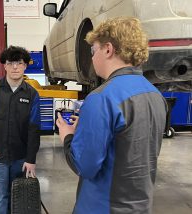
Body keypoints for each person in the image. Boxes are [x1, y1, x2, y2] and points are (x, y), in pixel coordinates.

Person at [56, 17, 167, 214]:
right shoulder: (155, 95)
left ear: (108, 49)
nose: (91, 58)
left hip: (102, 207)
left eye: (93, 50)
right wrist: (90, 125)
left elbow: (85, 165)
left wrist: (68, 136)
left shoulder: (101, 98)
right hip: (141, 206)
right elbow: (129, 139)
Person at [0, 45, 41, 214]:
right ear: (4, 65)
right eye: (11, 63)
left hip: (21, 158)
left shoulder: (32, 94)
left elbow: (34, 129)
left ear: (25, 66)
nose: (15, 67)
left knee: (19, 198)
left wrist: (31, 159)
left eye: (19, 63)